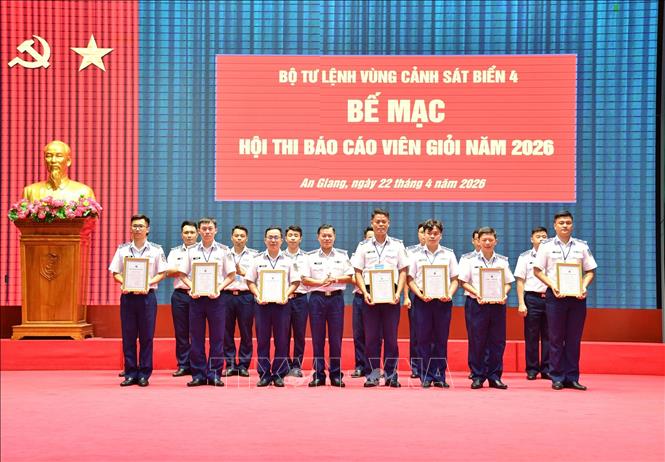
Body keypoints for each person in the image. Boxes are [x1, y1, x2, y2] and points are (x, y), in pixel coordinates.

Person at [534, 211, 597, 391]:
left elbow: (590, 271)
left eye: (568, 222)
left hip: (577, 297)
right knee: (555, 338)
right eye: (561, 223)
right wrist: (552, 285)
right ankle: (557, 377)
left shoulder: (581, 246)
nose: (565, 225)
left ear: (572, 225)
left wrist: (583, 286)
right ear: (555, 226)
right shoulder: (546, 246)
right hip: (555, 296)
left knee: (573, 339)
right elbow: (537, 270)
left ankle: (572, 377)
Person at [352, 208, 408, 388]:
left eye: (384, 221)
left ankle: (391, 375)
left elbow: (403, 271)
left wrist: (398, 293)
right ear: (372, 223)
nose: (381, 224)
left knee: (391, 338)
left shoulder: (397, 245)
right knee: (371, 338)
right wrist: (365, 292)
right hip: (370, 296)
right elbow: (358, 272)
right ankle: (373, 375)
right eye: (377, 221)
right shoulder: (363, 246)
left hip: (391, 296)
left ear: (388, 223)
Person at [108, 214, 167, 387]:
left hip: (147, 297)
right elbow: (115, 273)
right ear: (130, 228)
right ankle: (130, 373)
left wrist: (149, 283)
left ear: (147, 229)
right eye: (134, 226)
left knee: (147, 337)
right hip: (128, 297)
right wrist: (124, 282)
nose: (137, 229)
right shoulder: (122, 250)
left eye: (141, 226)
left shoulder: (156, 250)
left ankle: (144, 374)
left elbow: (162, 273)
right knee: (128, 336)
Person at [178, 217, 235, 387]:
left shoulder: (224, 251)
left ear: (216, 230)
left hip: (217, 299)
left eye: (210, 228)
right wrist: (192, 287)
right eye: (204, 229)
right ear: (199, 231)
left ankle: (215, 374)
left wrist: (219, 288)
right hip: (196, 299)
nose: (207, 231)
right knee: (196, 338)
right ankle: (198, 375)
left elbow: (231, 275)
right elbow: (182, 274)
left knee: (217, 338)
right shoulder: (191, 251)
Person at [458, 227, 514, 390]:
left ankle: (495, 376)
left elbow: (508, 283)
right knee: (477, 341)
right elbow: (463, 282)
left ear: (496, 241)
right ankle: (478, 376)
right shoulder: (469, 260)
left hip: (497, 305)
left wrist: (503, 294)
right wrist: (478, 293)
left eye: (490, 240)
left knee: (498, 341)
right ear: (478, 241)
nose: (488, 242)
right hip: (477, 304)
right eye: (484, 240)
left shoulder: (502, 261)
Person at [245, 226, 300, 387]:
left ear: (281, 240)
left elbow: (295, 282)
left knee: (282, 341)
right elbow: (250, 281)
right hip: (262, 306)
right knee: (262, 340)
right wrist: (257, 294)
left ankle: (278, 374)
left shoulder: (288, 261)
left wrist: (286, 295)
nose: (273, 240)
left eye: (276, 237)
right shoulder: (257, 260)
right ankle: (264, 374)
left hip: (282, 306)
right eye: (270, 237)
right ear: (265, 240)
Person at [407, 219, 458, 388]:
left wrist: (449, 294)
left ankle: (439, 375)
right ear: (424, 234)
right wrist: (419, 294)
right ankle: (426, 376)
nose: (432, 236)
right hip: (422, 301)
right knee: (423, 339)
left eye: (436, 233)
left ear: (440, 235)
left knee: (441, 340)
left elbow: (455, 279)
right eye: (429, 233)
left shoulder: (448, 254)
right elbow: (410, 279)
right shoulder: (415, 255)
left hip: (443, 302)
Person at [301, 224, 354, 387]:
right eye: (323, 235)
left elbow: (350, 277)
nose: (327, 238)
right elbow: (304, 279)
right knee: (317, 339)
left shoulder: (342, 256)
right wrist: (321, 282)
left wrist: (335, 279)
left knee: (335, 339)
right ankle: (319, 375)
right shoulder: (309, 257)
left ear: (334, 237)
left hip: (336, 299)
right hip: (317, 299)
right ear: (318, 237)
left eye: (329, 235)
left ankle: (336, 374)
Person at [221, 226, 258, 378]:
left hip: (246, 296)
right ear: (231, 237)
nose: (239, 238)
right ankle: (230, 364)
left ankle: (243, 365)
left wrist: (244, 272)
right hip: (226, 295)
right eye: (236, 235)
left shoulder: (254, 255)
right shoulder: (224, 254)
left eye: (242, 236)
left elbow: (258, 277)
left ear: (246, 238)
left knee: (246, 332)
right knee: (226, 332)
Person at [514, 226, 550, 380]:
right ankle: (532, 368)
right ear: (532, 239)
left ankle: (547, 368)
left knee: (550, 335)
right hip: (532, 299)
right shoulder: (525, 257)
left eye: (544, 236)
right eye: (538, 236)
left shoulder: (553, 255)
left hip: (551, 298)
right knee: (531, 335)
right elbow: (520, 281)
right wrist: (521, 303)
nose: (541, 239)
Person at [166, 220, 198, 377]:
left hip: (198, 295)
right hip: (180, 295)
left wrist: (179, 270)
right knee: (181, 332)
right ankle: (183, 364)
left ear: (197, 234)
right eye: (186, 233)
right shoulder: (175, 252)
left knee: (197, 332)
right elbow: (168, 272)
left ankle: (197, 364)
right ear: (181, 235)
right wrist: (184, 270)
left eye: (192, 232)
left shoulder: (203, 251)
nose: (189, 235)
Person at [23, 140, 96, 201]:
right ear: (45, 161)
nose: (53, 160)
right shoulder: (30, 191)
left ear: (68, 161)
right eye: (49, 156)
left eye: (59, 156)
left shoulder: (84, 192)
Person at [284, 225, 309, 377]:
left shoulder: (307, 258)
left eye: (296, 235)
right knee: (283, 334)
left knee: (299, 334)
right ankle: (285, 365)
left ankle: (296, 366)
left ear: (300, 238)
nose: (293, 238)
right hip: (283, 299)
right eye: (290, 235)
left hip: (300, 299)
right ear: (285, 238)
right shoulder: (279, 256)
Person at [350, 226, 374, 378]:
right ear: (365, 239)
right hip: (360, 297)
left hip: (378, 298)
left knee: (375, 335)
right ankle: (360, 366)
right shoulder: (357, 254)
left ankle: (374, 366)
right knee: (359, 333)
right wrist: (365, 284)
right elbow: (352, 276)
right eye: (369, 237)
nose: (372, 239)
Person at [404, 222, 426, 379]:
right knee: (416, 333)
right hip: (416, 295)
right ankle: (416, 367)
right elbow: (407, 277)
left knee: (432, 334)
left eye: (427, 232)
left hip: (436, 296)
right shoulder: (410, 252)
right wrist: (406, 297)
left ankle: (430, 367)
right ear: (418, 234)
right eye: (422, 232)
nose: (424, 235)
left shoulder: (443, 253)